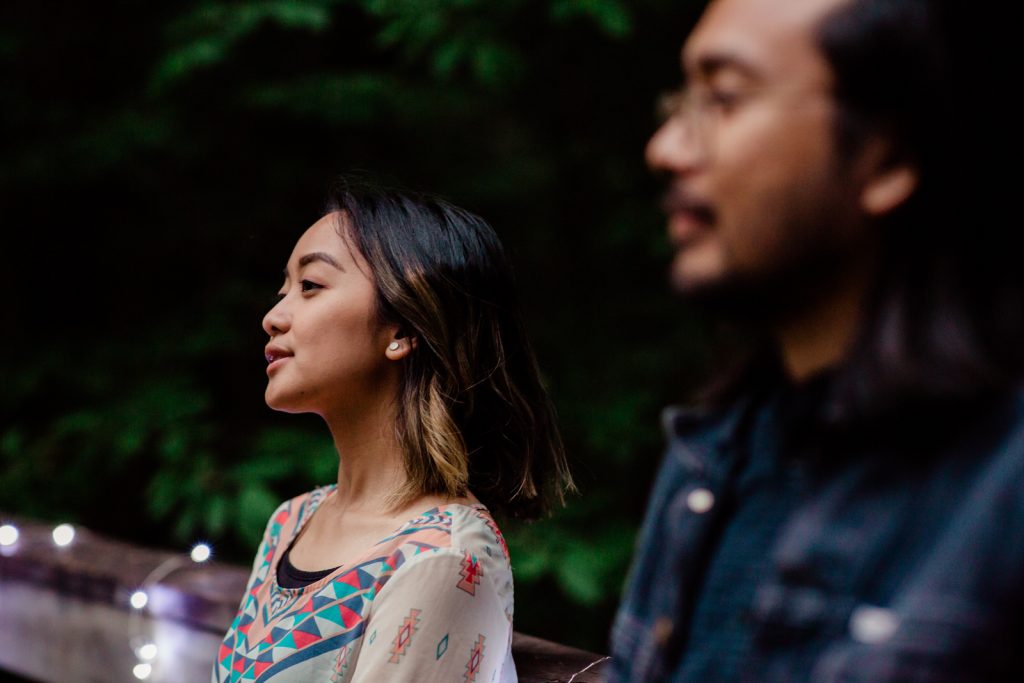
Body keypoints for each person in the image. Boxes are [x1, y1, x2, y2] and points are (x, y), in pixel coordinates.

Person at [609, 0, 1022, 681]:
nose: (667, 149)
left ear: (887, 156)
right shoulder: (709, 457)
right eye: (680, 101)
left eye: (724, 97)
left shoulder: (1000, 484)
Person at [212, 181, 573, 682]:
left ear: (403, 327)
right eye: (283, 291)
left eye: (310, 286)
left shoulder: (442, 559)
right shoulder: (290, 522)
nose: (273, 317)